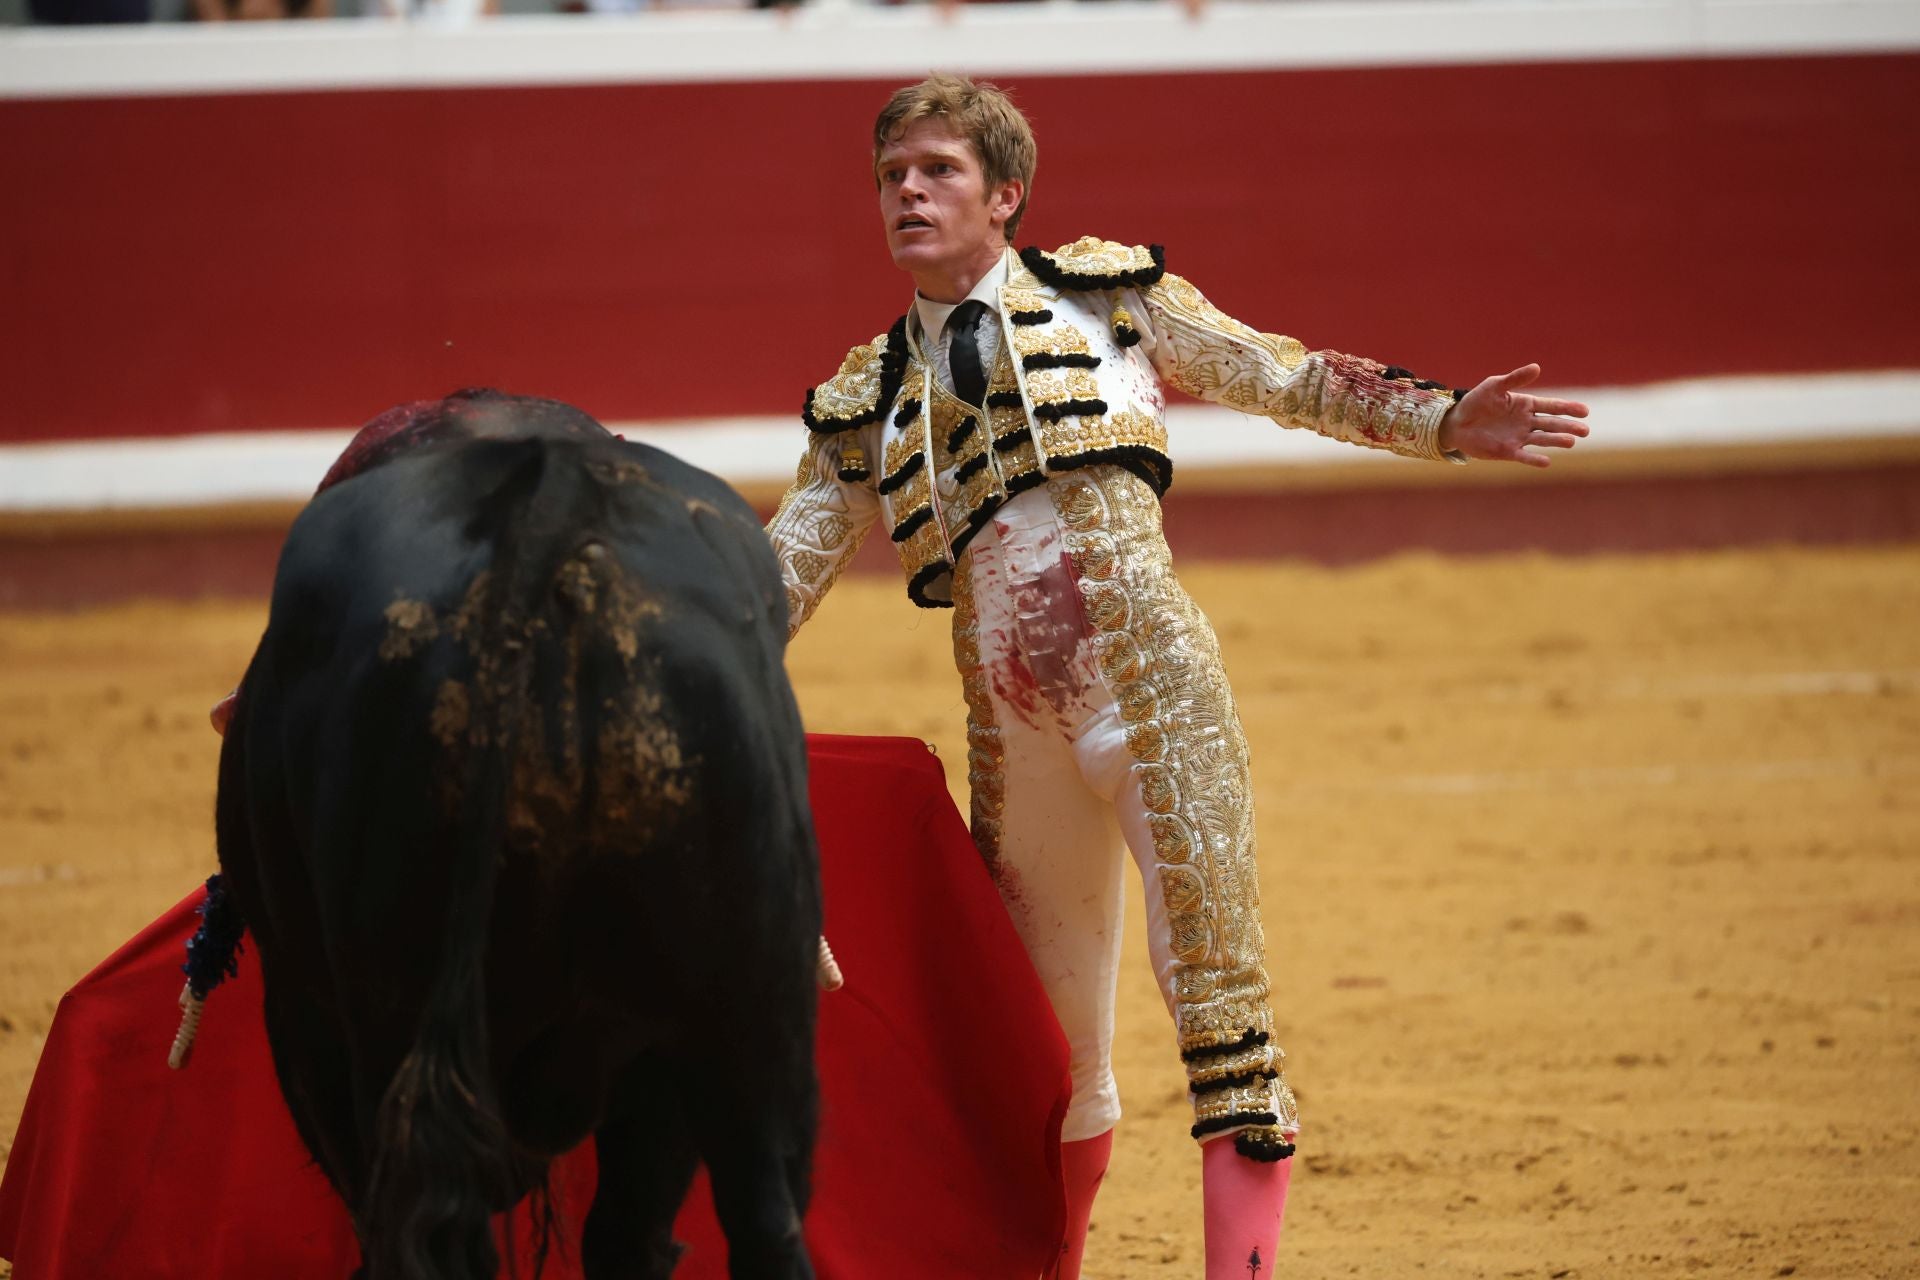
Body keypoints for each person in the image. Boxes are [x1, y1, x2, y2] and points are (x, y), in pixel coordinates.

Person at [764, 74, 1589, 1279]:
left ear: (1006, 195)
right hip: (1017, 745)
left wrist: (1443, 419)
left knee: (1223, 1027)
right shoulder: (866, 397)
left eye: (938, 170)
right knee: (1049, 1058)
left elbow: (1281, 375)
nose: (908, 192)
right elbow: (770, 582)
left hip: (1156, 700)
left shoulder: (1108, 297)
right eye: (892, 174)